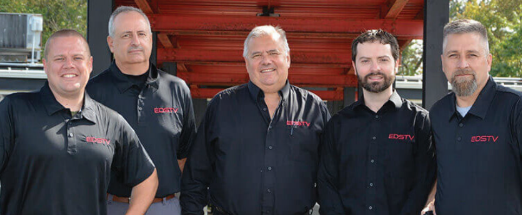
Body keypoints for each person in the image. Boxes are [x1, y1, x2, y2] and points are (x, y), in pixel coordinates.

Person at [0, 29, 158, 215]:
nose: (69, 65)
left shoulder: (111, 122)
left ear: (89, 64)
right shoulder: (14, 109)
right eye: (59, 59)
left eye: (77, 58)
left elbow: (148, 178)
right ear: (45, 65)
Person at [180, 25, 331, 215]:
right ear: (246, 62)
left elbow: (331, 179)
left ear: (288, 58)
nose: (266, 61)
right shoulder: (221, 106)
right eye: (257, 55)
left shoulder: (314, 109)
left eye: (273, 52)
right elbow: (195, 176)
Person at [86, 6, 196, 215]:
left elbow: (185, 155)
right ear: (111, 43)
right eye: (126, 35)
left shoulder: (177, 89)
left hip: (165, 207)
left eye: (141, 34)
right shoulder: (92, 92)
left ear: (150, 40)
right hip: (111, 207)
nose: (135, 41)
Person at [317, 29, 436, 215]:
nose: (375, 68)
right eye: (365, 61)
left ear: (396, 64)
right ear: (354, 66)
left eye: (383, 60)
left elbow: (423, 184)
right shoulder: (337, 125)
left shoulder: (420, 122)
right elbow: (327, 185)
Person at [422, 18, 522, 215]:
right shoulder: (437, 113)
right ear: (443, 63)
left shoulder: (515, 108)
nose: (462, 64)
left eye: (472, 55)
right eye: (453, 55)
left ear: (489, 61)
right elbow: (437, 172)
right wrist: (430, 201)